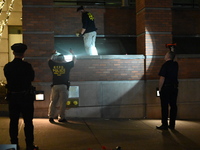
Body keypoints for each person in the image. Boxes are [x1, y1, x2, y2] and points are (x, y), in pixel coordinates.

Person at [3, 43, 38, 150]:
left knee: (13, 122)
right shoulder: (27, 66)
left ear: (13, 53)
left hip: (13, 97)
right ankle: (29, 145)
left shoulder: (8, 66)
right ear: (23, 54)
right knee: (28, 122)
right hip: (26, 97)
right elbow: (31, 78)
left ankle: (14, 145)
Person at [48, 49, 75, 123]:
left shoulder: (53, 65)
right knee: (62, 103)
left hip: (55, 86)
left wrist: (52, 54)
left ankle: (51, 116)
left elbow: (49, 60)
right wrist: (72, 53)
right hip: (63, 85)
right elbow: (74, 60)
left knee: (53, 101)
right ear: (63, 59)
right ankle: (61, 117)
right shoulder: (67, 65)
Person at [156, 51, 179, 130]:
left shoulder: (165, 65)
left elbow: (162, 78)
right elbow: (176, 59)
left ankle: (164, 124)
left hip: (165, 88)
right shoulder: (175, 65)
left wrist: (159, 89)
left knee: (164, 106)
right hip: (174, 88)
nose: (164, 56)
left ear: (168, 56)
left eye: (166, 54)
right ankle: (172, 124)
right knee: (173, 106)